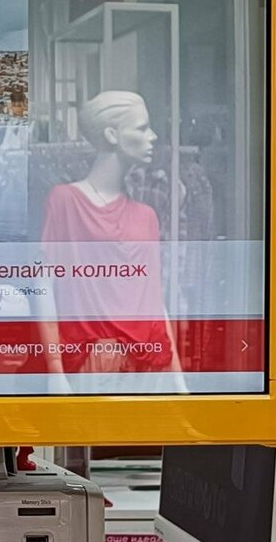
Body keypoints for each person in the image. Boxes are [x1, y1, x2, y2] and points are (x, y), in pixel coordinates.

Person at [40, 91, 183, 378]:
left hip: (151, 362)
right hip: (92, 362)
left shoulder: (146, 216)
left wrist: (178, 378)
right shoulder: (66, 201)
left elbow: (156, 303)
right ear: (112, 134)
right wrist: (55, 371)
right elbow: (44, 286)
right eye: (142, 128)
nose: (153, 137)